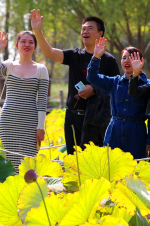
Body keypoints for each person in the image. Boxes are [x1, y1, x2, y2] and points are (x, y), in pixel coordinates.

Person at [30, 10, 120, 154]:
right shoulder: (74, 55)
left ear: (100, 33)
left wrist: (95, 90)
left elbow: (117, 88)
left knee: (93, 160)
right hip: (74, 116)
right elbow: (50, 52)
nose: (85, 31)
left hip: (98, 118)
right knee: (74, 159)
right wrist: (37, 30)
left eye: (90, 28)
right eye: (83, 28)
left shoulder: (109, 60)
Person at [0, 31, 49, 169]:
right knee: (8, 159)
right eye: (23, 41)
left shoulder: (41, 69)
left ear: (35, 46)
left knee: (27, 161)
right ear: (16, 45)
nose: (27, 44)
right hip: (8, 121)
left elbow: (42, 101)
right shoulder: (8, 66)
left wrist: (40, 127)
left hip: (30, 122)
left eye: (31, 42)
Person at [86, 38, 150, 159]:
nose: (127, 61)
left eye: (131, 58)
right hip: (114, 130)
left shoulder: (148, 85)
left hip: (136, 132)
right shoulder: (114, 82)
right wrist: (96, 57)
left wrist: (149, 139)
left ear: (141, 61)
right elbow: (92, 77)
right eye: (124, 58)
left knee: (135, 167)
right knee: (112, 167)